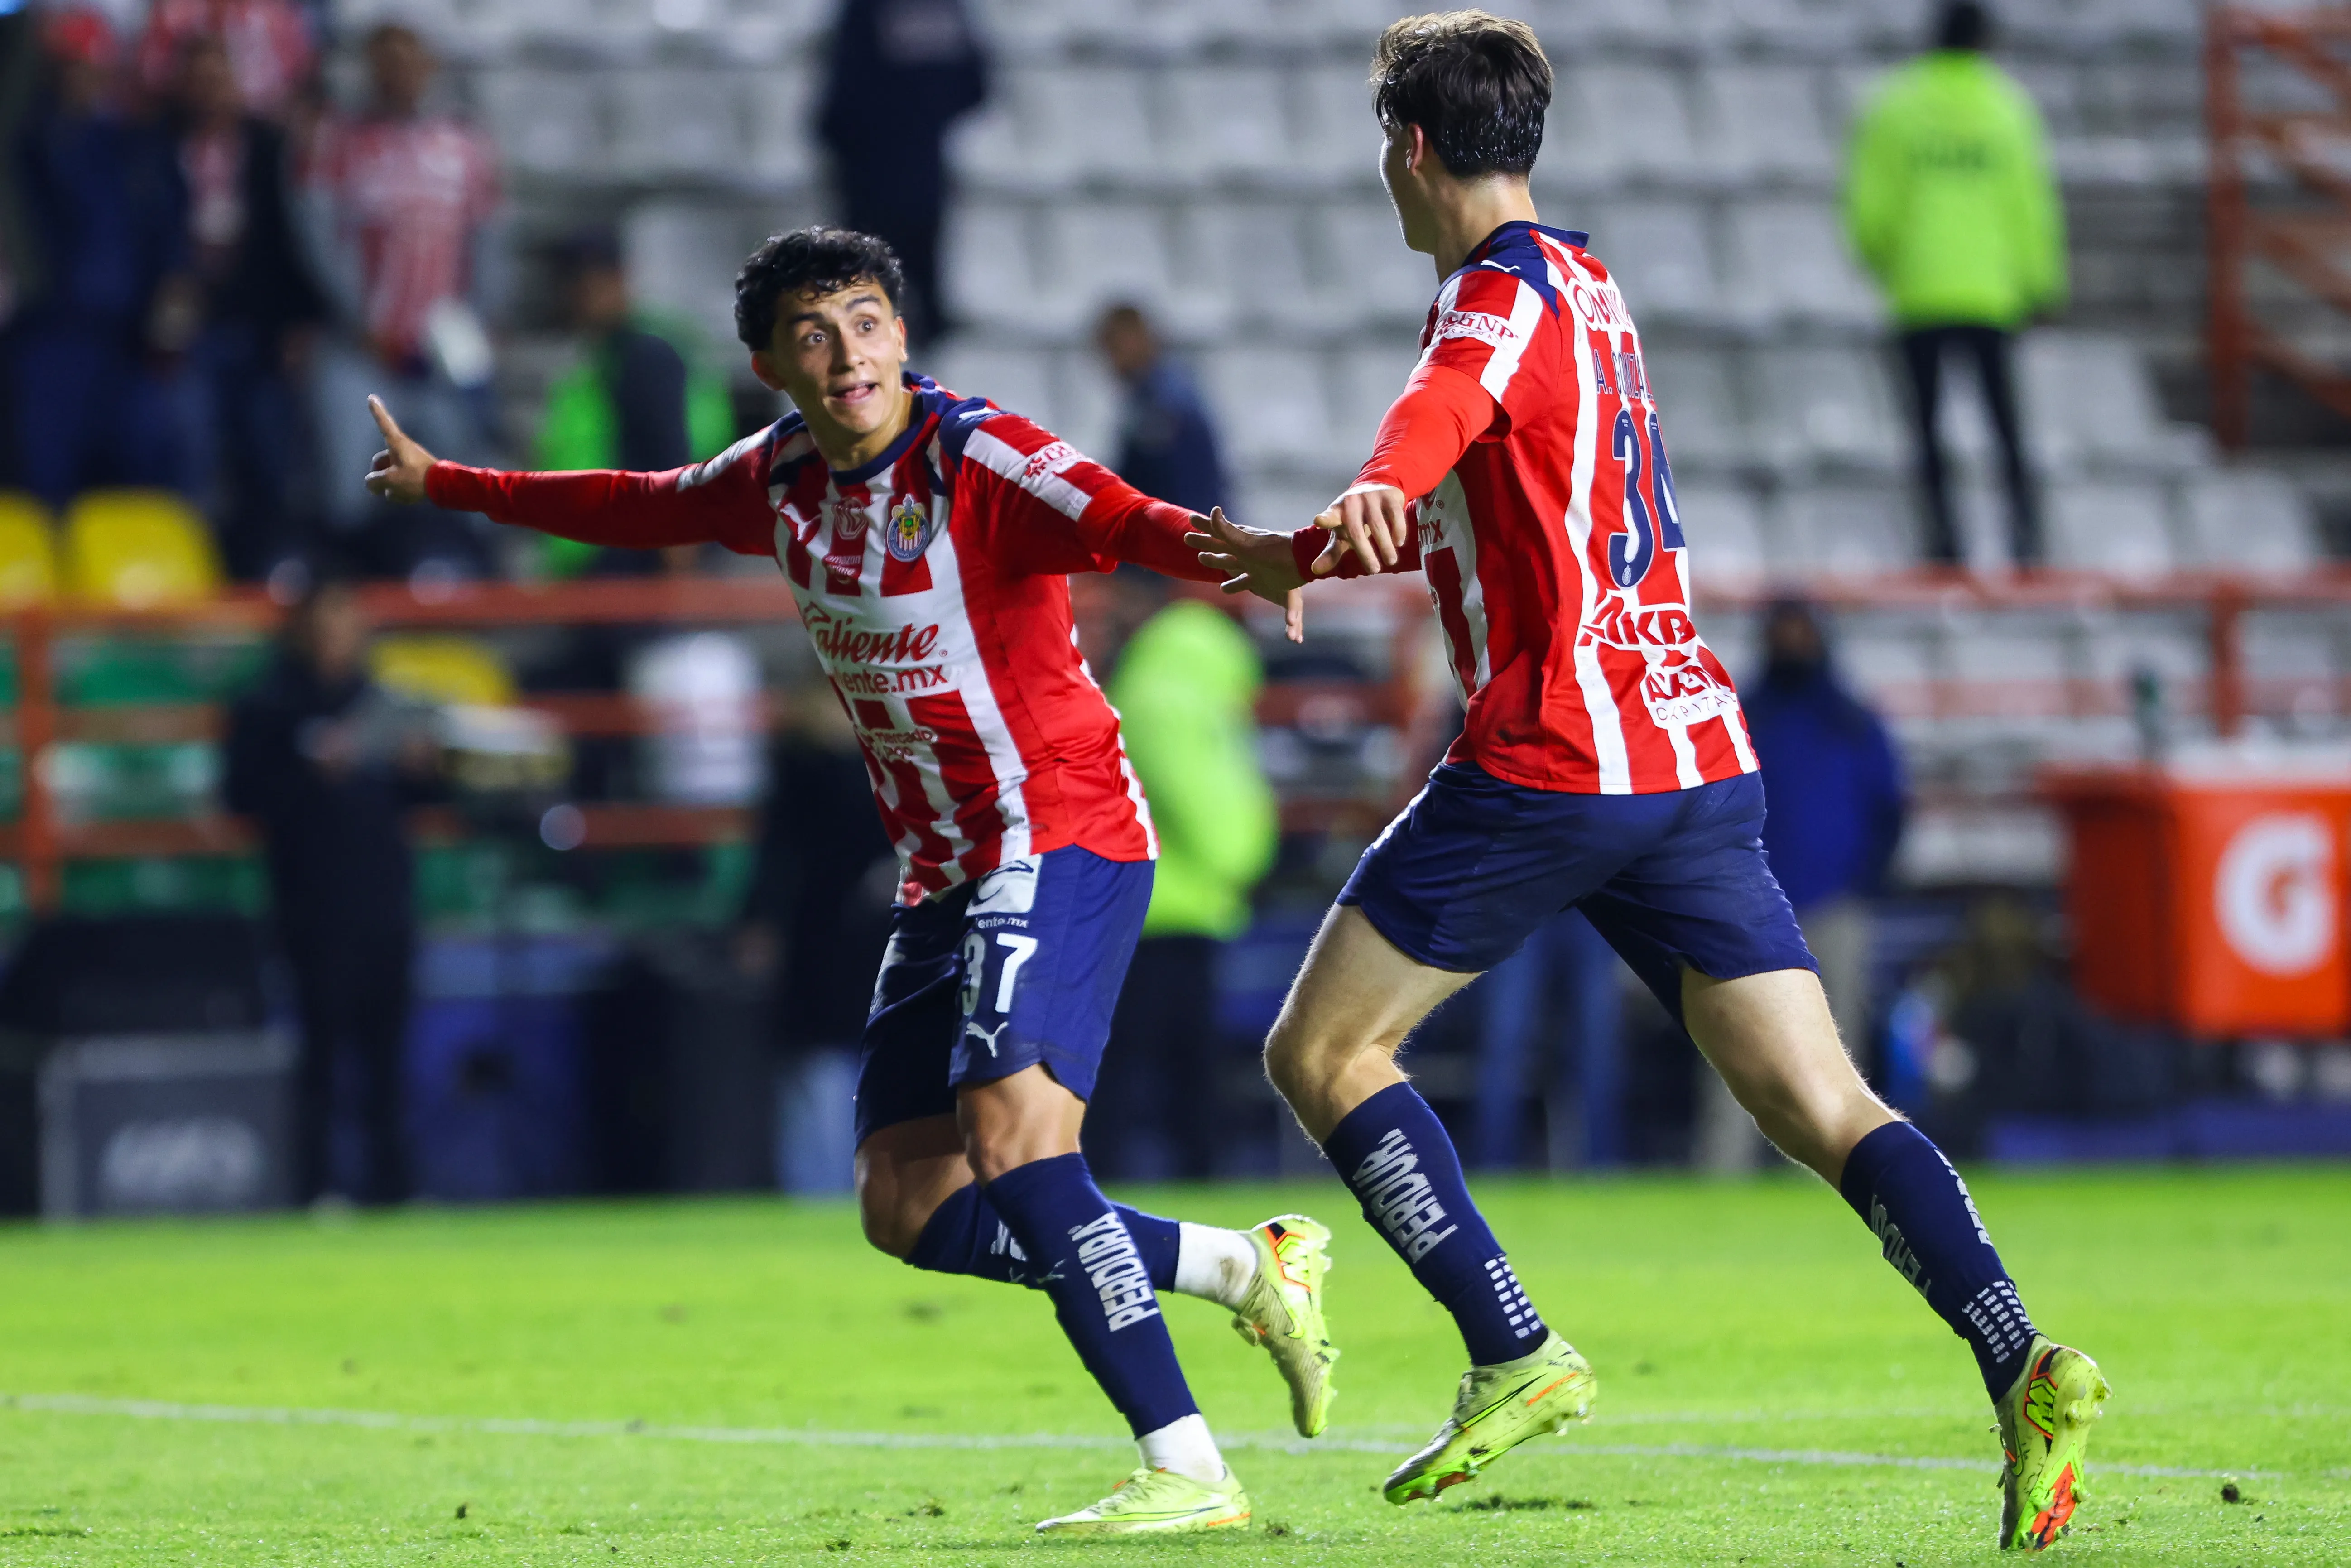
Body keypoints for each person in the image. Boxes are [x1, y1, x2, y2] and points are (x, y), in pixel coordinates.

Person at [1195, 13, 2104, 1551]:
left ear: (1410, 150)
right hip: (1687, 744)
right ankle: (2020, 1357)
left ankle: (1511, 1346)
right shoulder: (1594, 288)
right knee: (1820, 1098)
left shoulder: (1485, 301)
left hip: (1554, 751)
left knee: (1323, 1051)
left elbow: (1445, 415)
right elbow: (1509, 481)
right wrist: (1330, 538)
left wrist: (1374, 481)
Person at [361, 226, 1333, 1535]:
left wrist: (1240, 554)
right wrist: (453, 484)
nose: (848, 353)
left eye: (867, 321)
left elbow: (1115, 515)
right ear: (772, 365)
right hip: (941, 870)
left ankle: (1187, 1467)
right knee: (909, 1203)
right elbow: (633, 502)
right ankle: (1236, 1262)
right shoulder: (772, 479)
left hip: (1056, 829)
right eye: (814, 335)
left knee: (1015, 1140)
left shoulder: (978, 453)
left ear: (901, 334)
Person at [224, 574, 432, 1207]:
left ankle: (392, 1188)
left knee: (388, 1059)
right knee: (319, 1057)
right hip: (311, 902)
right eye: (327, 622)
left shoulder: (386, 702)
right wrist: (310, 772)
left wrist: (425, 770)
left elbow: (423, 800)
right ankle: (314, 1187)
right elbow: (241, 796)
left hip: (384, 900)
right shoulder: (268, 706)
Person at [1844, 0, 2064, 570]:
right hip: (1992, 293)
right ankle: (2025, 542)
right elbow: (2030, 205)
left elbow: (1871, 206)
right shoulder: (2007, 108)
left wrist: (1885, 259)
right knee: (2006, 427)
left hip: (1918, 292)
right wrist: (2039, 283)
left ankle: (1945, 545)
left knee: (1926, 430)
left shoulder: (1895, 107)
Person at [1086, 569, 1276, 1182]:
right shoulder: (1187, 682)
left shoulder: (1149, 683)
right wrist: (1242, 857)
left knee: (1125, 1067)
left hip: (1144, 902)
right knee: (1185, 1068)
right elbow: (1216, 791)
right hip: (1189, 904)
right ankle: (1198, 1180)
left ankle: (1099, 1186)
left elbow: (1182, 786)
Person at [308, 22, 500, 559]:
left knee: (468, 465)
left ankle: (466, 578)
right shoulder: (342, 144)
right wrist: (357, 320)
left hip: (442, 348)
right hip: (360, 347)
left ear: (429, 66)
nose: (399, 73)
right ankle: (344, 588)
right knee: (348, 481)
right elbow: (320, 238)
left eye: (409, 60)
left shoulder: (465, 146)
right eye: (385, 61)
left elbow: (486, 243)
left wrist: (476, 323)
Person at [8, 7, 197, 511]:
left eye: (87, 66)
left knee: (141, 472)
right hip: (48, 331)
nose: (79, 79)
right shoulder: (28, 142)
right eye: (67, 67)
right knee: (45, 477)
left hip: (128, 338)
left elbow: (171, 231)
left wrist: (173, 297)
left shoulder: (138, 145)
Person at [171, 32, 328, 580]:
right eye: (200, 78)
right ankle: (198, 569)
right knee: (193, 452)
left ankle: (267, 568)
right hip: (187, 330)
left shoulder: (269, 147)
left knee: (270, 457)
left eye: (220, 77)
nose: (211, 89)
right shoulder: (159, 145)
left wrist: (299, 321)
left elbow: (297, 240)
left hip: (260, 329)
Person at [739, 678, 900, 1193]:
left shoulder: (888, 770)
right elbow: (774, 857)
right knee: (821, 1069)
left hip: (870, 937)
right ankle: (823, 1186)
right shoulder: (804, 772)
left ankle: (857, 1184)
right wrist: (761, 922)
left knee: (855, 1066)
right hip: (824, 939)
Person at [533, 228, 735, 578]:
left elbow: (671, 452)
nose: (580, 297)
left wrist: (679, 551)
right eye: (574, 285)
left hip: (635, 560)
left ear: (619, 281)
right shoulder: (606, 355)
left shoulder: (645, 355)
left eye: (591, 284)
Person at [816, 0, 986, 345]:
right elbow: (975, 86)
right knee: (919, 297)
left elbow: (838, 107)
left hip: (874, 172)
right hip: (919, 171)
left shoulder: (870, 8)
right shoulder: (943, 10)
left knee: (868, 293)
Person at [1096, 303, 1229, 519]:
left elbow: (1170, 483)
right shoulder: (1163, 391)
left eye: (1114, 348)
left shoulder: (1162, 403)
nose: (1110, 361)